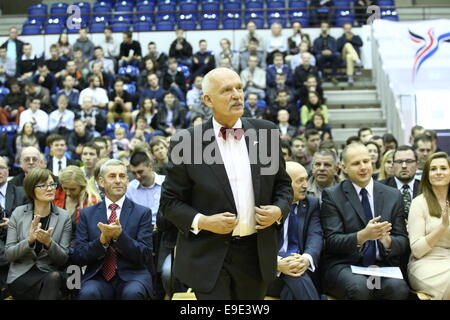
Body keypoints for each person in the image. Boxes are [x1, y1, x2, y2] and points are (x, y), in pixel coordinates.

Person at [159, 67, 292, 300]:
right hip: (208, 255)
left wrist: (278, 210)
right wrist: (204, 222)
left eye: (239, 88)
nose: (237, 95)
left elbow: (283, 186)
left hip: (256, 255)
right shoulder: (186, 141)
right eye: (227, 90)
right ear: (207, 100)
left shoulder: (266, 133)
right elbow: (169, 202)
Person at [320, 143, 410, 300]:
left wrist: (387, 241)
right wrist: (362, 236)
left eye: (366, 161)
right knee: (360, 288)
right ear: (343, 167)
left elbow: (403, 240)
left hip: (382, 267)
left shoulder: (392, 195)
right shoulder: (333, 196)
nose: (363, 167)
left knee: (398, 288)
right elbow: (332, 242)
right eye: (356, 163)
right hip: (345, 265)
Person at [71, 159, 153, 300]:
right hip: (98, 276)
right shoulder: (87, 214)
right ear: (101, 182)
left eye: (122, 176)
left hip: (132, 275)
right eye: (112, 176)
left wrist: (120, 237)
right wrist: (102, 241)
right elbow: (78, 256)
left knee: (133, 293)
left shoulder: (142, 213)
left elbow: (145, 255)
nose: (118, 181)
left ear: (127, 181)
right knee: (88, 293)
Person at [5, 167, 71, 300]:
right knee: (55, 292)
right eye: (43, 185)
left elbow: (64, 259)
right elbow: (9, 254)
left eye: (52, 184)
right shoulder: (18, 213)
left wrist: (49, 243)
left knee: (55, 278)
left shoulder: (64, 216)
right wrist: (28, 241)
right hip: (21, 275)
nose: (50, 188)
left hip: (48, 272)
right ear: (31, 189)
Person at [266, 162, 322, 300]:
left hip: (301, 267)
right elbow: (257, 243)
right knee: (297, 277)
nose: (306, 186)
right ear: (285, 184)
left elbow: (316, 235)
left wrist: (306, 258)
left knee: (293, 286)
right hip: (271, 271)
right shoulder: (268, 206)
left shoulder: (311, 204)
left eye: (306, 179)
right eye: (299, 181)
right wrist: (277, 264)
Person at [407, 152, 450, 300]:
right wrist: (443, 227)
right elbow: (417, 250)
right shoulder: (418, 203)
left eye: (443, 168)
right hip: (425, 263)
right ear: (427, 175)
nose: (438, 172)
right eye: (433, 169)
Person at [0, 156, 27, 294]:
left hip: (17, 239)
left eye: (2, 168)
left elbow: (30, 217)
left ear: (8, 171)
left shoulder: (21, 192)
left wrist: (13, 224)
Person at [54, 165, 100, 241]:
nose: (68, 192)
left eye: (73, 189)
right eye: (65, 188)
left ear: (82, 186)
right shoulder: (56, 195)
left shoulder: (91, 202)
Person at [380, 145, 420, 219]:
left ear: (417, 165)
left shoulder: (426, 188)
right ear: (393, 165)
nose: (404, 166)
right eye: (399, 162)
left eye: (409, 161)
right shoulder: (380, 188)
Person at [127, 151, 165, 227]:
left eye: (140, 172)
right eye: (134, 173)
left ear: (150, 166)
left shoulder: (165, 183)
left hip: (164, 229)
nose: (137, 176)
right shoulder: (130, 189)